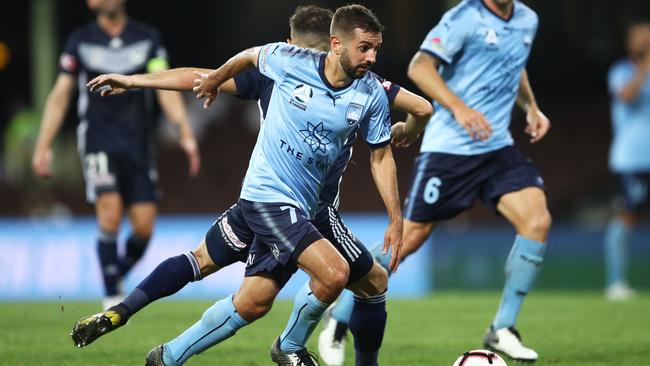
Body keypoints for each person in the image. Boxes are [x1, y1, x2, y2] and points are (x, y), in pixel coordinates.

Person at [79, 5, 407, 366]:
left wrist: (411, 139)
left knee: (247, 294)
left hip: (309, 208)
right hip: (269, 199)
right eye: (365, 48)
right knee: (332, 274)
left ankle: (164, 355)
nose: (373, 57)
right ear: (333, 44)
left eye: (375, 49)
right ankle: (290, 347)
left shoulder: (371, 92)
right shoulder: (283, 65)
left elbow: (399, 128)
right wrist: (147, 80)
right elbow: (232, 62)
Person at [318, 0, 551, 363]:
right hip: (450, 148)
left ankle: (502, 327)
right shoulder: (464, 18)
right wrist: (459, 108)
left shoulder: (526, 19)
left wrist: (531, 106)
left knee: (537, 221)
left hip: (496, 147)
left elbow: (513, 65)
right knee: (409, 239)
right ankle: (341, 315)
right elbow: (420, 67)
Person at [31, 0, 200, 310]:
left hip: (137, 144)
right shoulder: (80, 39)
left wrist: (184, 132)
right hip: (97, 140)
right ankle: (111, 298)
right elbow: (61, 94)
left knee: (144, 226)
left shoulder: (147, 37)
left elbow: (163, 85)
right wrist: (44, 145)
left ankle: (115, 273)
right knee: (109, 211)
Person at [603, 20, 650, 301]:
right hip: (632, 159)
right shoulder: (621, 71)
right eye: (640, 39)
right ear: (629, 44)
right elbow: (626, 96)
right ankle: (616, 282)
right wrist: (644, 67)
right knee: (626, 217)